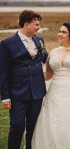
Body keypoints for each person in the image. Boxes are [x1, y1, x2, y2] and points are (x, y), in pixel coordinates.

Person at [0, 10, 48, 149]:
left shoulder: (39, 40)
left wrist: (66, 52)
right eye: (36, 24)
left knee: (33, 127)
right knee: (17, 125)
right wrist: (5, 97)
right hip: (17, 93)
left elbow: (46, 58)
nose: (38, 27)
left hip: (37, 92)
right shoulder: (7, 44)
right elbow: (3, 72)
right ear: (26, 24)